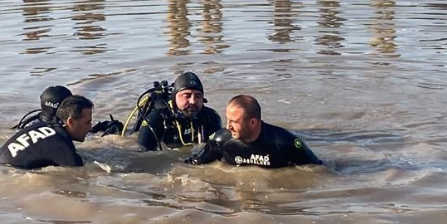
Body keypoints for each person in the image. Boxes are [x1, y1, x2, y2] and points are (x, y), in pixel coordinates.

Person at [185, 95, 321, 168]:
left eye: (234, 122)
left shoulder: (285, 143)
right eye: (228, 120)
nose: (228, 127)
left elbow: (316, 170)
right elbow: (194, 164)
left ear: (253, 123)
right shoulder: (221, 140)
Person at [0, 95, 95, 170]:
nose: (90, 128)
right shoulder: (61, 145)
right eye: (87, 122)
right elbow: (78, 174)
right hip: (10, 175)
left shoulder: (41, 125)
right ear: (71, 122)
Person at [137, 72, 223, 152]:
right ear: (174, 97)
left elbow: (218, 150)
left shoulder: (211, 117)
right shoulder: (156, 119)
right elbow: (143, 154)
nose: (193, 101)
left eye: (198, 96)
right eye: (187, 96)